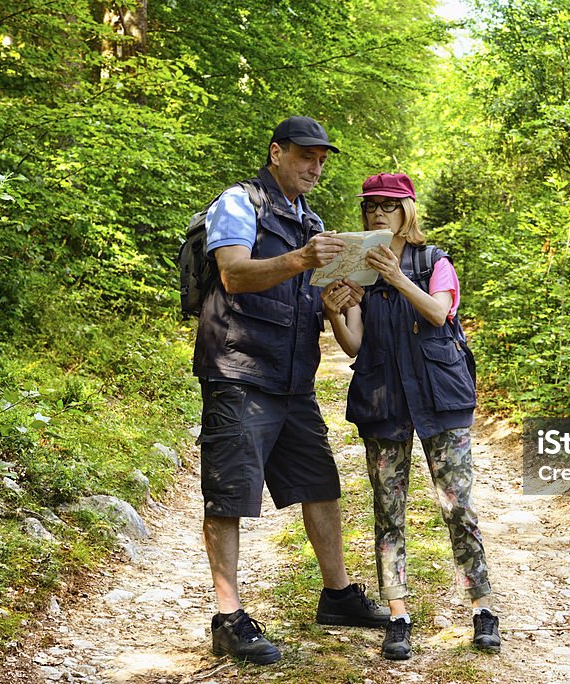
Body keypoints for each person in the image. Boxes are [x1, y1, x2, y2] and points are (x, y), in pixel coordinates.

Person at [192, 116, 389, 665]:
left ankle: (337, 596)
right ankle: (228, 617)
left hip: (293, 378)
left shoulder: (314, 221)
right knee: (230, 492)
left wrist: (340, 295)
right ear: (277, 152)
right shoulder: (238, 203)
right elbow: (234, 274)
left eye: (322, 159)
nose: (315, 167)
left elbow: (325, 298)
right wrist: (302, 260)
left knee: (320, 484)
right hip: (237, 370)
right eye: (306, 156)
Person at [323, 172, 501, 660]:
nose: (377, 213)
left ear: (408, 211)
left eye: (388, 204)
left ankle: (483, 608)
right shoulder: (356, 269)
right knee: (388, 512)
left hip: (440, 401)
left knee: (458, 507)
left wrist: (397, 277)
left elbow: (439, 314)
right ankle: (397, 617)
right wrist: (336, 311)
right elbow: (353, 344)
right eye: (370, 206)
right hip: (384, 402)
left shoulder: (433, 261)